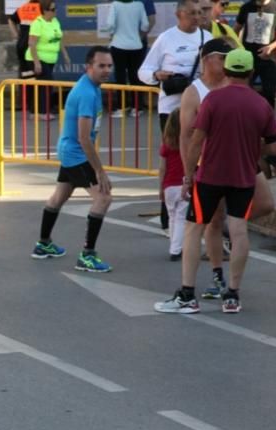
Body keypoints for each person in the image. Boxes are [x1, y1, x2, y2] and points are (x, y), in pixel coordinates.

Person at [155, 48, 276, 315]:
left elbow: (196, 140)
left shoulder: (212, 100)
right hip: (244, 177)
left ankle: (188, 294)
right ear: (251, 73)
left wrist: (188, 177)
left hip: (210, 176)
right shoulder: (261, 104)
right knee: (238, 230)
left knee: (194, 229)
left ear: (227, 70)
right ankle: (232, 295)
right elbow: (274, 149)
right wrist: (253, 150)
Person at [30, 45, 115, 273]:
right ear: (89, 67)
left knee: (60, 195)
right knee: (103, 198)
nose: (106, 70)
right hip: (76, 153)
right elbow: (84, 138)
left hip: (69, 150)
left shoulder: (91, 86)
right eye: (101, 66)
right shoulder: (87, 93)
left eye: (109, 65)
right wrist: (100, 170)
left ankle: (43, 243)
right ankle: (87, 255)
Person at [176, 37, 233, 300]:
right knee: (209, 221)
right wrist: (188, 173)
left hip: (236, 161)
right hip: (207, 166)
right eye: (222, 57)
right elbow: (186, 136)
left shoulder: (234, 84)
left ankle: (235, 238)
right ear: (208, 59)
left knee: (263, 205)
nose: (226, 62)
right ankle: (216, 275)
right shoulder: (194, 91)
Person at [139, 0, 212, 130]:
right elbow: (143, 71)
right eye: (192, 13)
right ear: (179, 14)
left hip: (200, 105)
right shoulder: (165, 38)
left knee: (197, 149)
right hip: (171, 108)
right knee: (172, 149)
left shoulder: (208, 38)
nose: (196, 17)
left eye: (199, 13)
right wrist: (156, 75)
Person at [235, 0, 276, 107]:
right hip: (247, 58)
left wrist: (271, 47)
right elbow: (236, 29)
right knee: (244, 91)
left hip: (268, 58)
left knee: (269, 93)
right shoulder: (246, 7)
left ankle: (269, 120)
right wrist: (238, 48)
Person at [24, 0, 71, 119]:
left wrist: (65, 55)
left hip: (50, 59)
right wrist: (37, 62)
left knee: (42, 85)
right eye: (52, 9)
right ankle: (43, 112)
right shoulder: (38, 23)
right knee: (47, 84)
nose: (55, 12)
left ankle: (36, 112)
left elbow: (59, 39)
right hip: (37, 58)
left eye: (55, 9)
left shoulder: (55, 21)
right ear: (45, 11)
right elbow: (32, 44)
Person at [104, 0, 149, 117]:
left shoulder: (115, 5)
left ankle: (121, 107)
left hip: (118, 45)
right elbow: (145, 25)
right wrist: (138, 36)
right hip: (136, 45)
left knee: (120, 77)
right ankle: (137, 108)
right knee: (135, 76)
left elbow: (110, 24)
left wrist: (112, 34)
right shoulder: (139, 5)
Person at [160, 108, 185, 260]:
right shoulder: (188, 142)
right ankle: (176, 249)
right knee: (182, 217)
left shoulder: (166, 144)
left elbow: (162, 168)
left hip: (169, 184)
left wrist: (161, 187)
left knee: (172, 216)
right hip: (183, 183)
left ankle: (173, 246)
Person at [6, 0, 39, 75]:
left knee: (25, 73)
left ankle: (25, 85)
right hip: (33, 46)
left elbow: (11, 20)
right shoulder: (41, 9)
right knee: (37, 75)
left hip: (22, 44)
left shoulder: (24, 8)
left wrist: (17, 35)